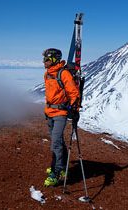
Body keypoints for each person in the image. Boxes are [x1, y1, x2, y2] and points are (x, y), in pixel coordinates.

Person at [42, 48, 80, 187]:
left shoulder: (63, 74)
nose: (44, 62)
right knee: (57, 141)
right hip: (49, 112)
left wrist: (74, 110)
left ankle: (56, 172)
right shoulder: (47, 74)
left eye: (46, 59)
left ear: (54, 60)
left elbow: (73, 93)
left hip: (60, 114)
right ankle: (62, 167)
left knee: (56, 143)